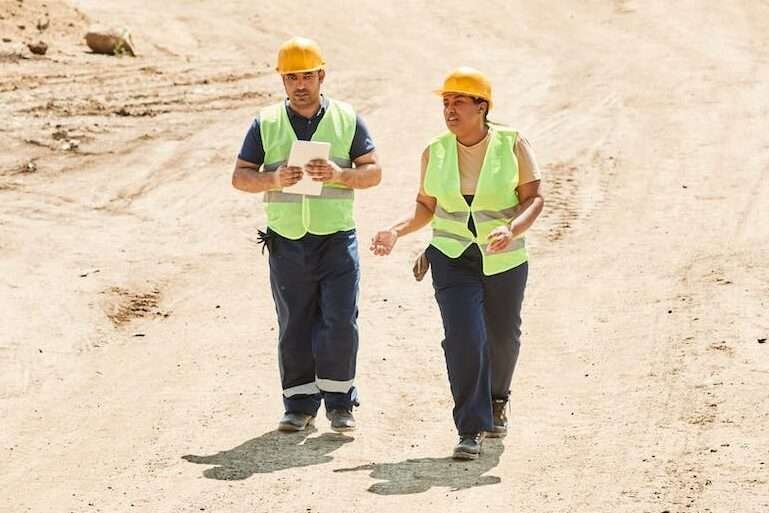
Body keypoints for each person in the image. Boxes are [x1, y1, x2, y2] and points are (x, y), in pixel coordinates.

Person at [370, 67, 544, 459]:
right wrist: (397, 230)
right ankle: (471, 427)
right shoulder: (436, 150)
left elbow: (534, 198)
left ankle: (498, 399)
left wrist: (512, 230)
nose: (449, 110)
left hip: (504, 257)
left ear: (482, 106)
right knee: (464, 338)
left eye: (459, 102)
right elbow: (426, 206)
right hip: (451, 258)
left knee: (502, 337)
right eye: (446, 103)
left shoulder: (512, 144)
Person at [232, 37, 381, 433]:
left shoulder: (348, 119)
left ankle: (339, 402)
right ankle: (298, 405)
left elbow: (374, 173)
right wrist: (273, 178)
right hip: (287, 240)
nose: (300, 85)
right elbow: (240, 177)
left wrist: (339, 174)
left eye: (307, 76)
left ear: (321, 76)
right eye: (291, 77)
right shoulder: (265, 123)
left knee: (339, 320)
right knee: (294, 322)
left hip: (336, 237)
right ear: (282, 80)